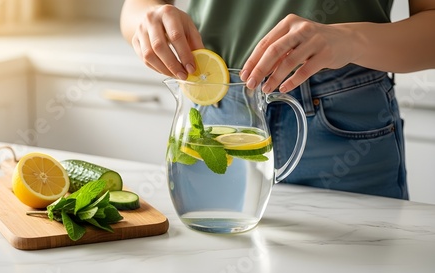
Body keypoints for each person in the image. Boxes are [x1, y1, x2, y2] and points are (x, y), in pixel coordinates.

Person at [119, 0, 435, 200]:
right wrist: (149, 19)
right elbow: (136, 8)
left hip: (345, 125)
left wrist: (350, 39)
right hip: (215, 114)